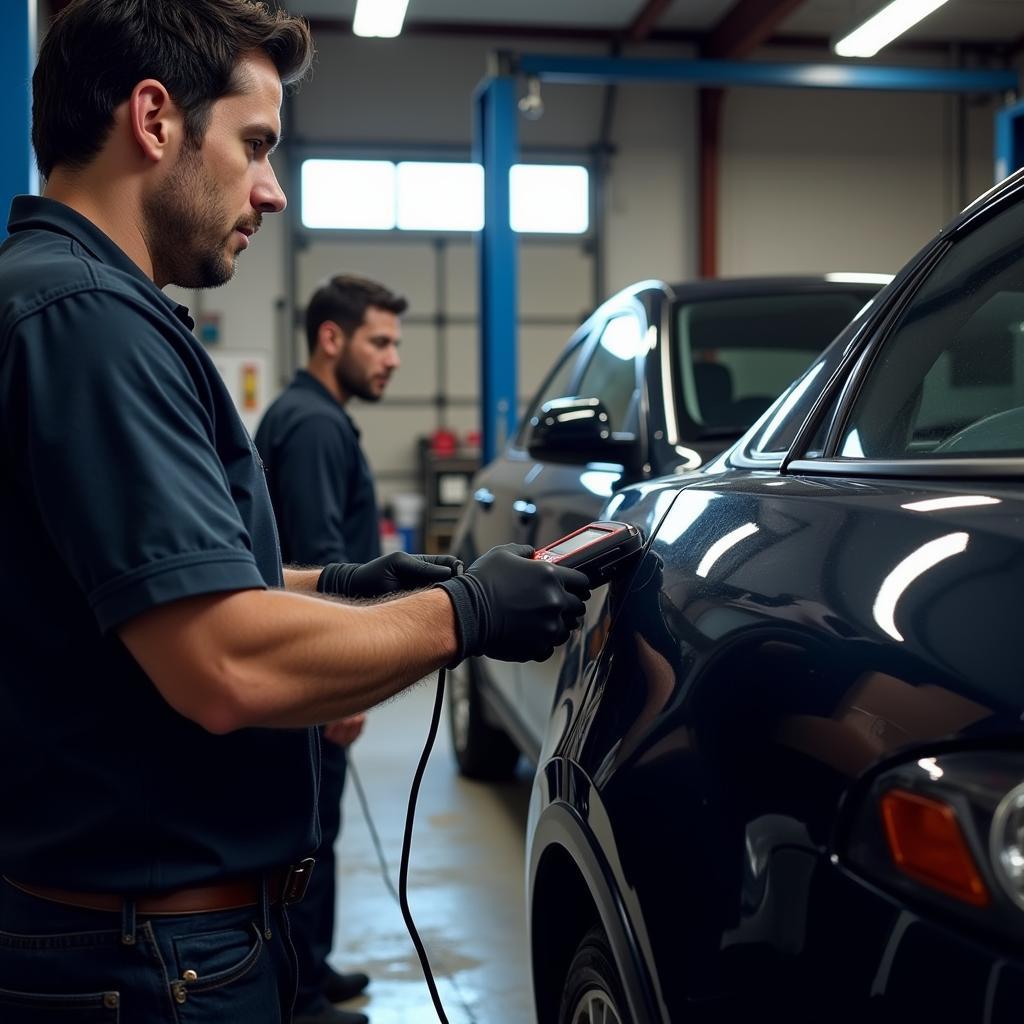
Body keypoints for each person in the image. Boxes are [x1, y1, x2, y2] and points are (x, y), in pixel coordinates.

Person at [0, 3, 591, 1023]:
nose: (271, 190)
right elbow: (225, 664)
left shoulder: (77, 305)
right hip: (147, 959)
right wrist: (467, 618)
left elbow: (138, 593)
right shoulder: (87, 322)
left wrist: (344, 588)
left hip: (137, 938)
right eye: (256, 145)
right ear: (153, 119)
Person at [254, 274, 409, 1024]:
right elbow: (321, 564)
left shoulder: (309, 416)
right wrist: (342, 685)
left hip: (304, 665)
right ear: (331, 338)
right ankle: (301, 997)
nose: (393, 359)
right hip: (311, 667)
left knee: (318, 829)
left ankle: (309, 968)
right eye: (380, 342)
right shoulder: (313, 426)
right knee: (305, 839)